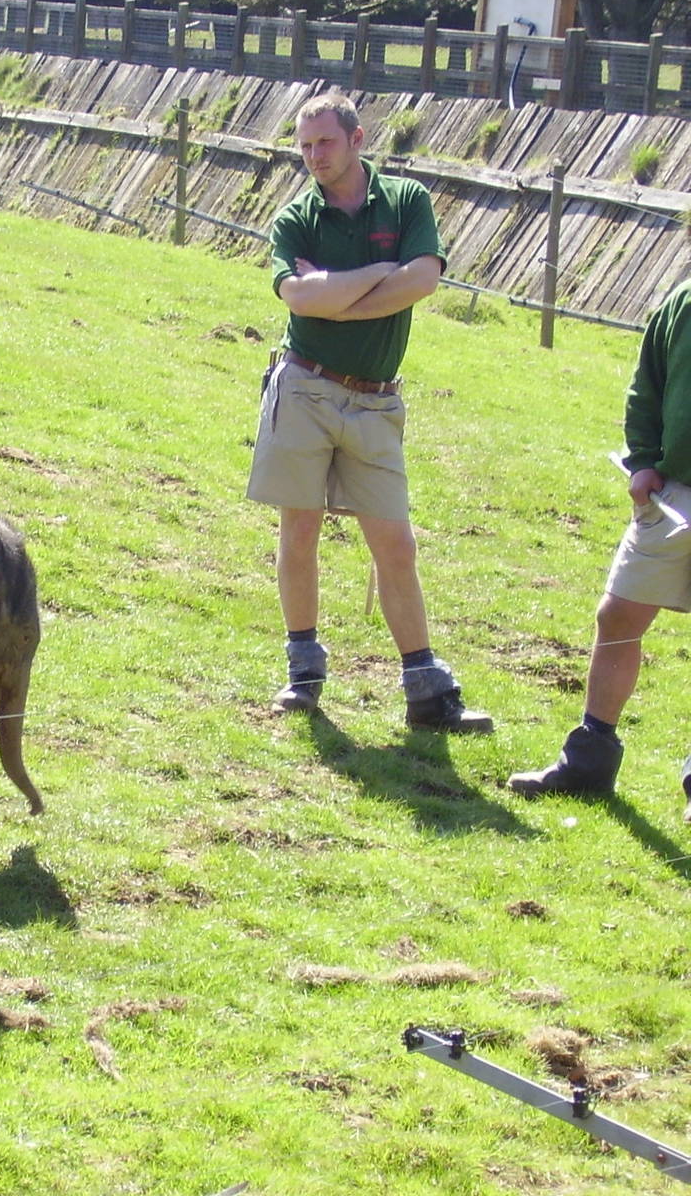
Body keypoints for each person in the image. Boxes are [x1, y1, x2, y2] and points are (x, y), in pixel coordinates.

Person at [246, 91, 492, 733]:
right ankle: (303, 670)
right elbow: (298, 297)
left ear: (357, 140)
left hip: (376, 398)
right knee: (298, 531)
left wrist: (340, 292)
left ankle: (425, 687)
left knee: (394, 541)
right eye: (303, 146)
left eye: (324, 143)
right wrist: (381, 273)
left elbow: (424, 280)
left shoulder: (407, 202)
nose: (312, 156)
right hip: (305, 386)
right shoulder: (295, 217)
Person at [509, 278, 691, 821]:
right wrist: (643, 461)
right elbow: (649, 384)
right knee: (618, 616)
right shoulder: (682, 299)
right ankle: (588, 761)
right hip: (672, 496)